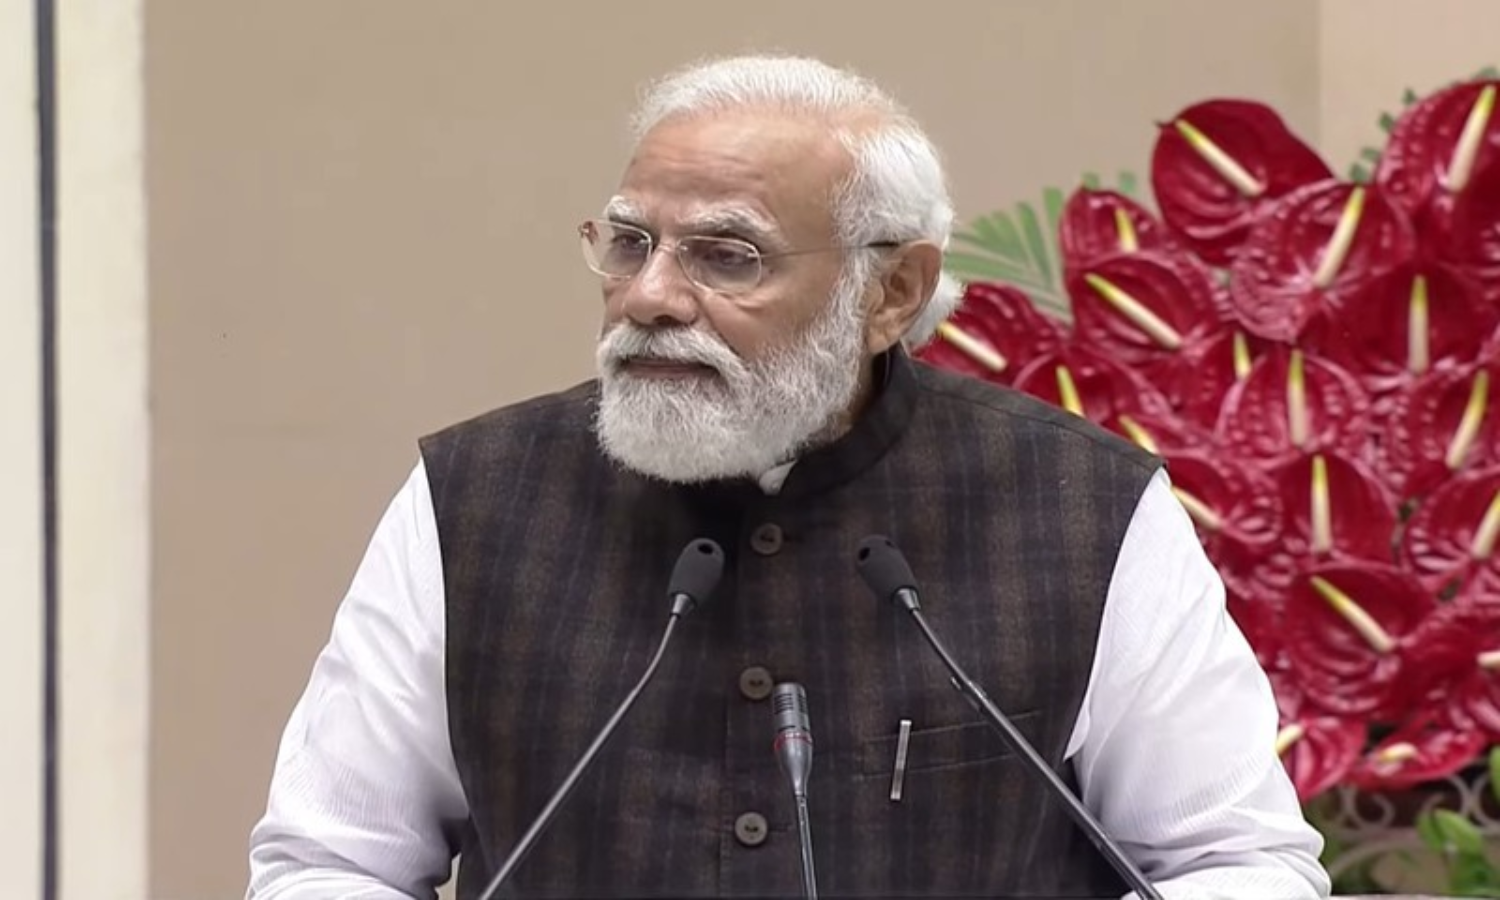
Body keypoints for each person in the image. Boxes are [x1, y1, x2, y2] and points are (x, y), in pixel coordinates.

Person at [246, 54, 1331, 899]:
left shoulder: (1080, 510)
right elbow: (330, 860)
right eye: (628, 243)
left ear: (891, 292)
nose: (649, 296)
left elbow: (1234, 861)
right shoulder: (475, 500)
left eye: (728, 256)